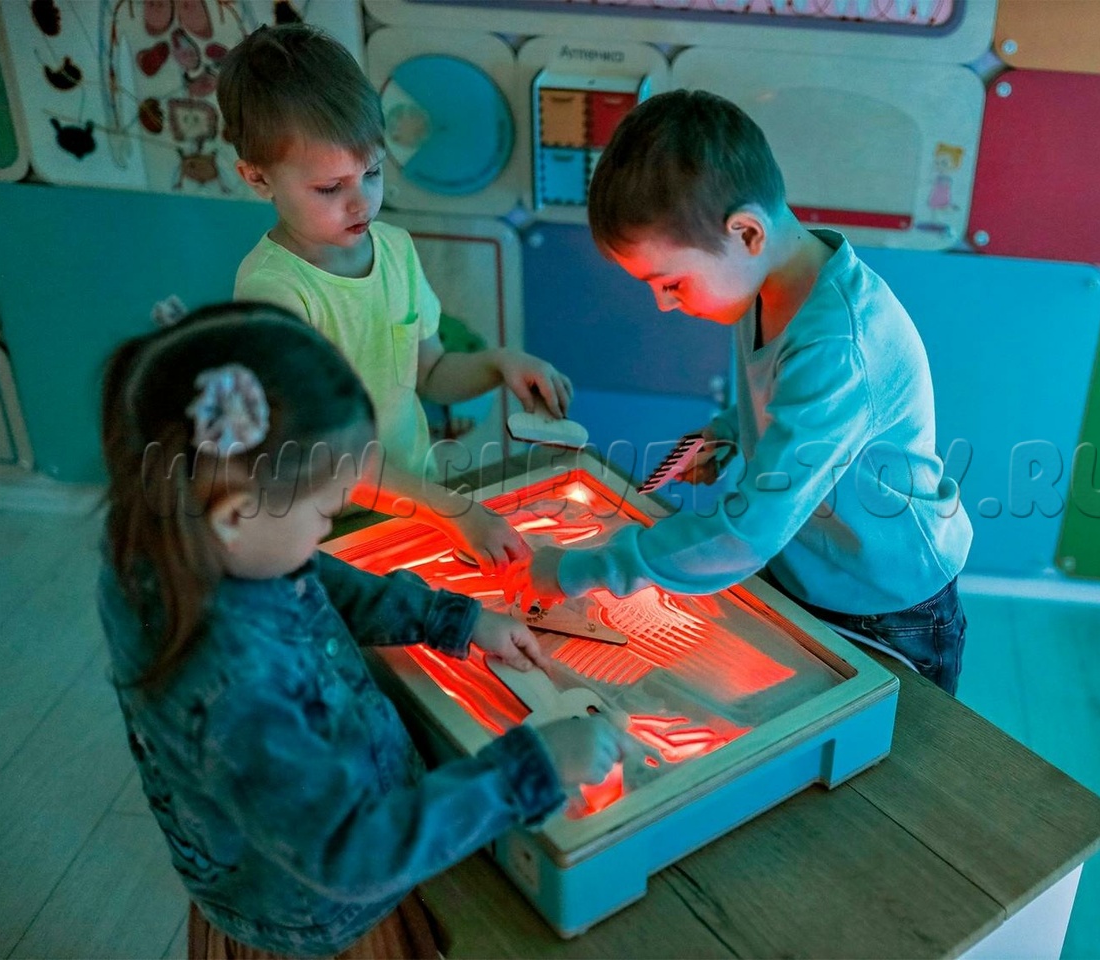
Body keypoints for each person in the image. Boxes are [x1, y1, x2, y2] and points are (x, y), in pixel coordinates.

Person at [97, 302, 623, 957]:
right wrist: (534, 766)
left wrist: (452, 618)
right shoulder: (237, 687)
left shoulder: (174, 536)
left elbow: (313, 578)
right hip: (317, 915)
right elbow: (352, 854)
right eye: (325, 511)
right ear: (233, 515)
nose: (328, 528)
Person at [510, 90, 973, 694]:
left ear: (747, 232)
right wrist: (729, 431)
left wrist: (580, 570)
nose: (664, 304)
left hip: (888, 602)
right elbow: (789, 402)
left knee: (894, 745)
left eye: (672, 282)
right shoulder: (768, 285)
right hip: (810, 565)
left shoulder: (839, 343)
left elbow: (748, 531)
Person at [216, 23, 574, 572]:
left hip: (413, 509)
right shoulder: (274, 291)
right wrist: (453, 510)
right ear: (258, 179)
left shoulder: (395, 250)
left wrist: (500, 364)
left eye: (373, 172)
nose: (361, 202)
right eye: (330, 188)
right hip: (320, 535)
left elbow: (431, 372)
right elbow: (325, 457)